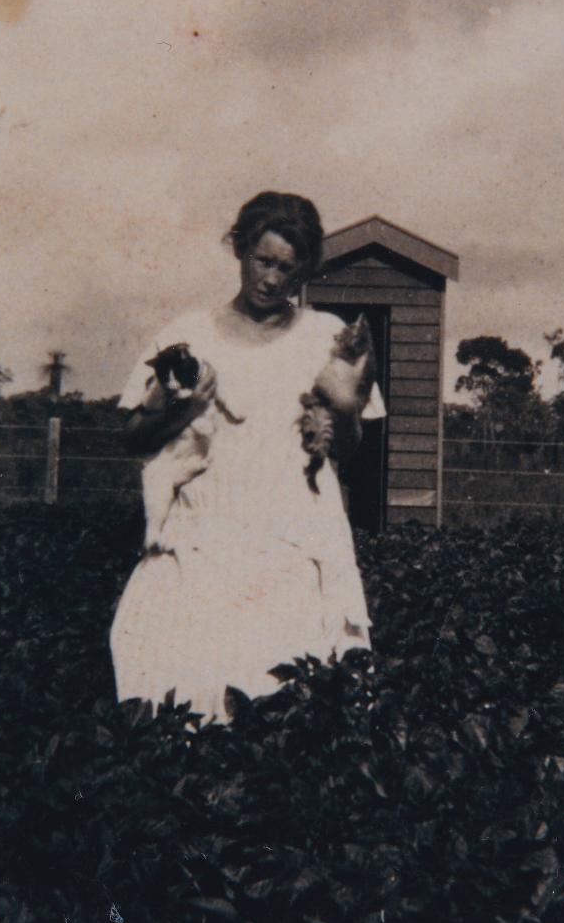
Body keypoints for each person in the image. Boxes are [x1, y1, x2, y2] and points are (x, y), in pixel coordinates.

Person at [110, 191, 384, 723]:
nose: (273, 280)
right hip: (205, 533)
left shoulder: (327, 339)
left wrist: (340, 421)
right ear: (240, 250)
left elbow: (349, 449)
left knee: (287, 689)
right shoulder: (185, 337)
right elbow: (133, 438)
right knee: (182, 685)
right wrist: (187, 412)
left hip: (294, 533)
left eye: (289, 268)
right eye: (264, 261)